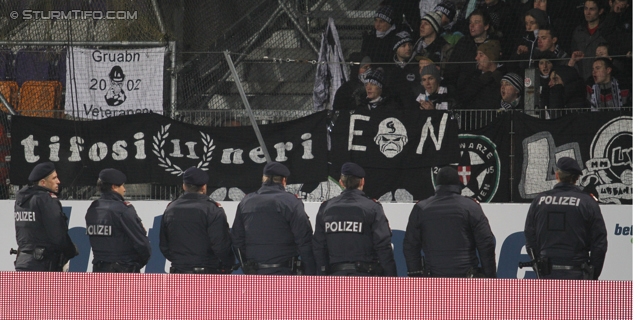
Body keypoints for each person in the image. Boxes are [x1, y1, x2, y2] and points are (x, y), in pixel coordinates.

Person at [403, 166, 496, 278]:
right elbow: (486, 243)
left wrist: (415, 276)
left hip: (433, 278)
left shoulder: (421, 208)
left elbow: (410, 245)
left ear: (437, 185)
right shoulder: (471, 207)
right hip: (466, 278)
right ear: (458, 184)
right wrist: (490, 277)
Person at [524, 157, 607, 279]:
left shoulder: (539, 201)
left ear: (557, 175)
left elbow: (530, 237)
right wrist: (593, 274)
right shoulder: (587, 202)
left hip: (547, 272)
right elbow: (599, 243)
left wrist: (539, 264)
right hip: (578, 272)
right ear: (577, 178)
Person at [313, 162, 397, 276]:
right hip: (366, 278)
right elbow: (382, 246)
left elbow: (319, 246)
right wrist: (391, 277)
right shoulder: (372, 208)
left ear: (341, 182)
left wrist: (322, 275)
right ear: (362, 182)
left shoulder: (326, 208)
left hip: (335, 277)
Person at [231, 162, 316, 275]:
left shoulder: (245, 202)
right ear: (284, 181)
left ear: (263, 178)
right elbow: (304, 239)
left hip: (255, 272)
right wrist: (310, 271)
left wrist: (247, 265)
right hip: (285, 272)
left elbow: (237, 240)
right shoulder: (291, 202)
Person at [160, 166, 235, 274]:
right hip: (208, 273)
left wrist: (180, 262)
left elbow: (164, 245)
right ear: (204, 187)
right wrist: (228, 264)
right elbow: (221, 245)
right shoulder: (212, 209)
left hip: (179, 271)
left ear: (184, 186)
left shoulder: (170, 209)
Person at [14, 162, 78, 271]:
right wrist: (71, 251)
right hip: (43, 264)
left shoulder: (21, 201)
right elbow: (58, 234)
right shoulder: (46, 199)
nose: (58, 181)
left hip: (22, 261)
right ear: (43, 182)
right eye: (54, 178)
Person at [85, 168, 151, 273]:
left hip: (99, 268)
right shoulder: (123, 209)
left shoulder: (93, 208)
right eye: (122, 185)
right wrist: (137, 263)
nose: (124, 189)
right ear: (114, 187)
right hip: (123, 268)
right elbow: (141, 242)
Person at [385, 31, 422, 110]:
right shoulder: (390, 68)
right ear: (396, 49)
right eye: (403, 45)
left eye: (410, 45)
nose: (408, 48)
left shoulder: (419, 65)